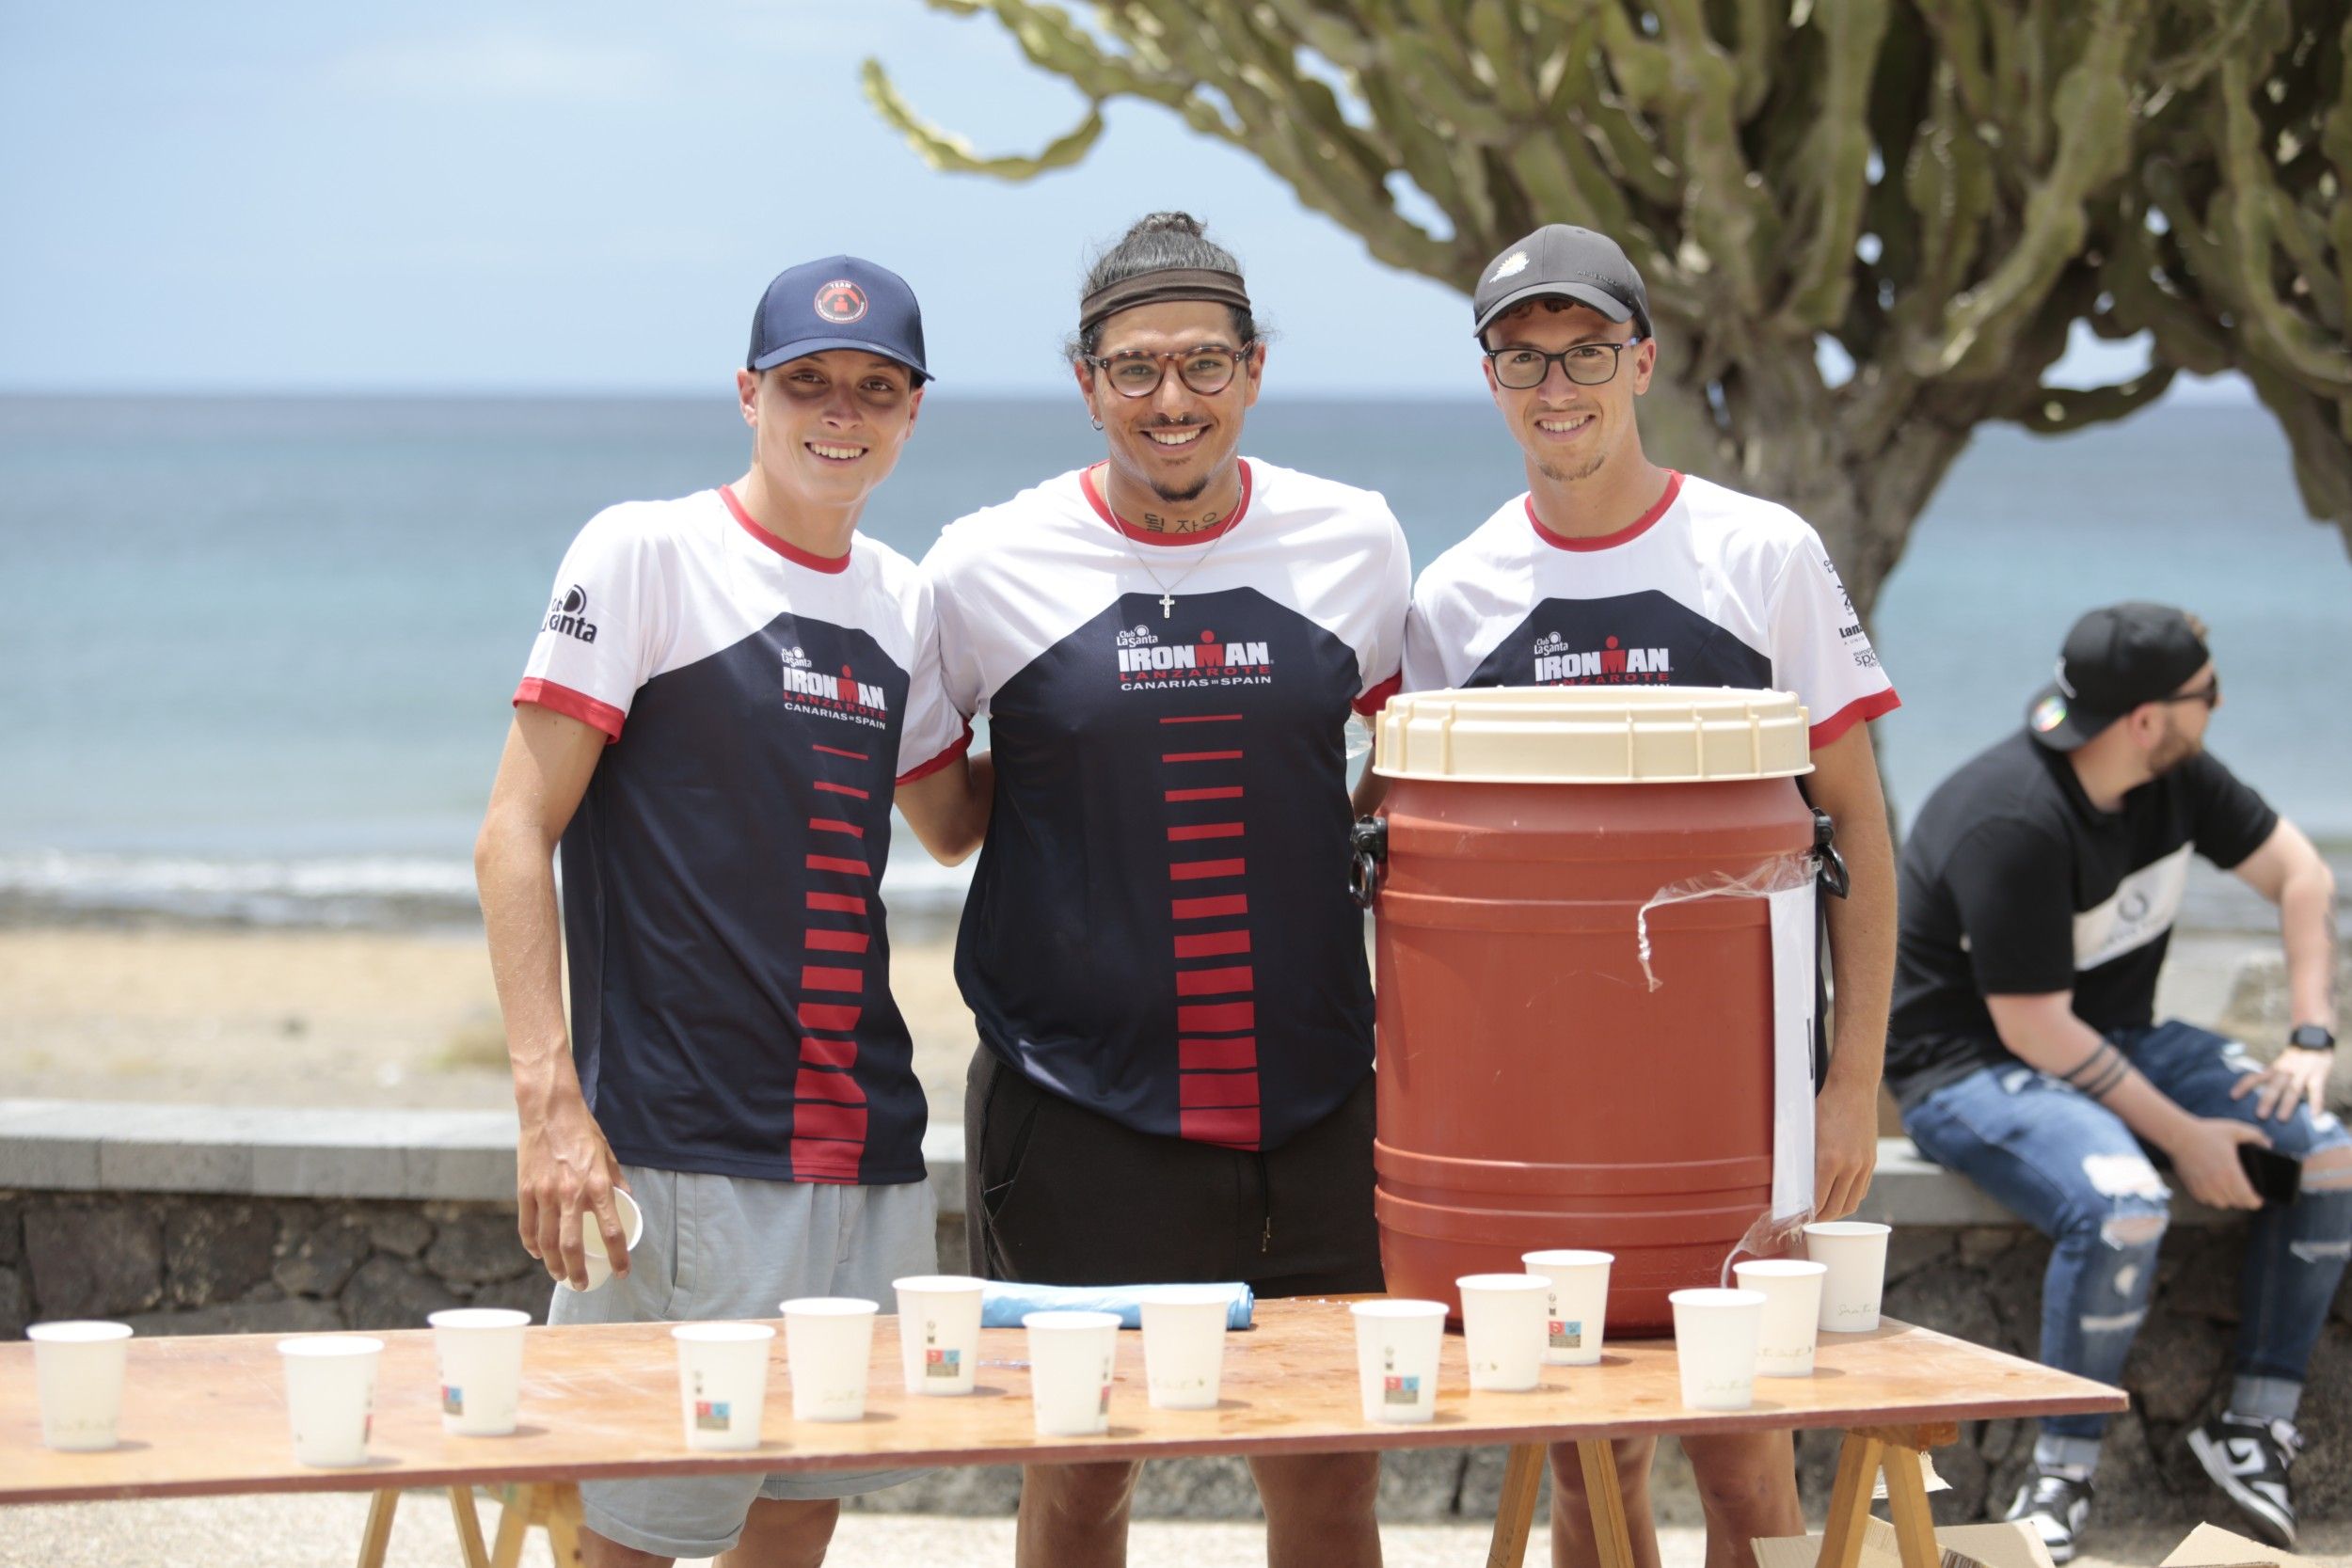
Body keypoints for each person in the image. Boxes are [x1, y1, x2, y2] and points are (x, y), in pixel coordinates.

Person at [1394, 223, 1901, 1568]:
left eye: (1587, 353)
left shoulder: (1762, 553)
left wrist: (1848, 1084)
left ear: (1643, 360)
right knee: (1590, 1465)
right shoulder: (1453, 598)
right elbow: (1432, 877)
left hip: (1743, 1095)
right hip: (1556, 1105)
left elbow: (1855, 821)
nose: (1557, 385)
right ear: (1492, 376)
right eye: (1524, 357)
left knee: (1747, 1461)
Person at [473, 256, 988, 1568]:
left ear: (913, 411)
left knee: (797, 1511)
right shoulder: (647, 552)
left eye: (875, 387)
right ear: (748, 390)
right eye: (808, 382)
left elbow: (954, 820)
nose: (840, 411)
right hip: (685, 1144)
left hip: (865, 1141)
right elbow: (512, 832)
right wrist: (548, 1102)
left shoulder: (903, 596)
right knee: (635, 1533)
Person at [923, 212, 1410, 1568]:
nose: (1172, 399)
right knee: (1082, 1481)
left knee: (1326, 1486)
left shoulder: (1356, 540)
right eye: (1135, 369)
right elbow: (943, 813)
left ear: (1254, 369)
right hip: (1078, 1105)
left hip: (1319, 1103)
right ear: (1086, 383)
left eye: (1203, 363)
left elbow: (1410, 757)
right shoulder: (982, 564)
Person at [1886, 602, 2347, 1559]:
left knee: (2327, 1151)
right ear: (2147, 717)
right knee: (2125, 1202)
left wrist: (2309, 1037)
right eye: (2206, 693)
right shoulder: (2011, 816)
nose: (2216, 706)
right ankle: (2056, 1482)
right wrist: (2183, 1134)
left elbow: (2302, 877)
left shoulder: (2176, 778)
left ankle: (2250, 1429)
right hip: (1969, 1067)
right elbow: (2031, 1025)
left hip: (2116, 1036)